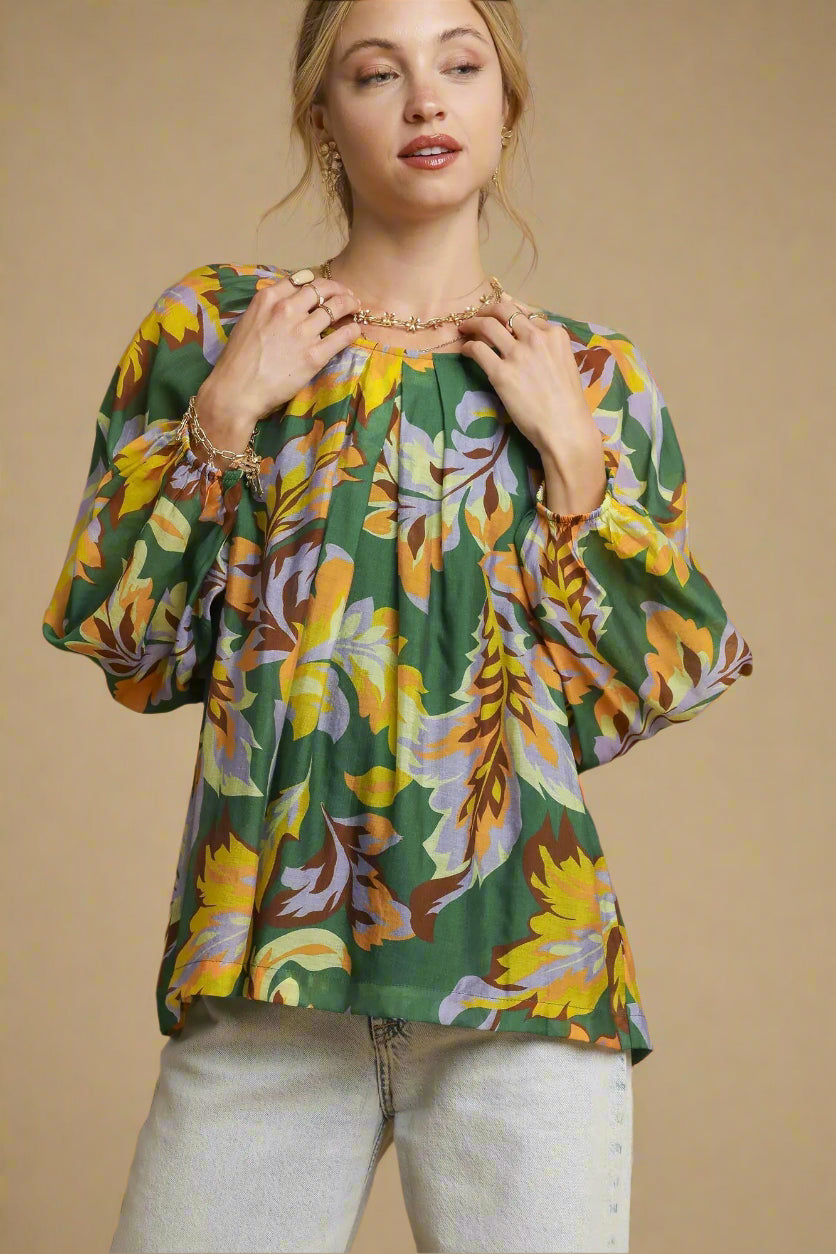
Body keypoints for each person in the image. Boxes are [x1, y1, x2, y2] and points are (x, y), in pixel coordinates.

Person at [41, 2, 754, 1251]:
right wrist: (223, 418)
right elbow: (133, 654)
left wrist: (576, 469)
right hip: (268, 974)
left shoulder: (592, 378)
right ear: (322, 115)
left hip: (523, 982)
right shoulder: (212, 330)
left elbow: (630, 694)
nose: (426, 101)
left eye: (459, 65)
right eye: (378, 73)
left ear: (504, 102)